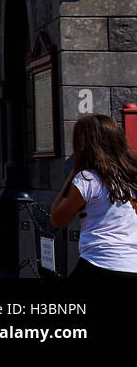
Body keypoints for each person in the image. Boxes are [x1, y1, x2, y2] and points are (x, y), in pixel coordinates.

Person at [49, 114, 137, 279]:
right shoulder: (132, 176)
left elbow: (57, 218)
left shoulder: (89, 178)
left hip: (101, 262)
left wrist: (74, 171)